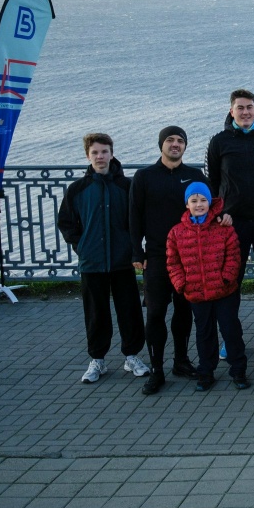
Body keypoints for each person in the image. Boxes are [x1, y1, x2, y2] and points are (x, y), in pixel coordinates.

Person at [58, 133, 148, 384]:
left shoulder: (126, 186)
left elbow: (138, 220)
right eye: (95, 152)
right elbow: (66, 222)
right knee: (96, 313)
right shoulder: (78, 189)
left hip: (122, 260)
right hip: (91, 262)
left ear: (112, 153)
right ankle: (97, 359)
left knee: (129, 311)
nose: (100, 157)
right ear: (88, 156)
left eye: (104, 151)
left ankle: (132, 356)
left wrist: (134, 248)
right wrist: (81, 246)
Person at [129, 126, 205, 394]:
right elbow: (134, 216)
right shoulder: (144, 177)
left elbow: (207, 209)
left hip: (189, 256)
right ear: (161, 144)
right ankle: (156, 369)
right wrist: (136, 252)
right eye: (170, 140)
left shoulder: (195, 175)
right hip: (157, 256)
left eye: (180, 141)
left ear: (185, 146)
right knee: (155, 313)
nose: (175, 144)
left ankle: (181, 361)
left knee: (184, 311)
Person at [205, 89, 254, 340]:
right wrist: (219, 214)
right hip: (232, 223)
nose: (245, 112)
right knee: (231, 280)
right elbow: (211, 183)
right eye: (240, 108)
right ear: (232, 111)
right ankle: (231, 336)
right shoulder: (219, 142)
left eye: (249, 107)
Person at [165, 182, 247, 391]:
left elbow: (234, 255)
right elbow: (173, 262)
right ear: (187, 204)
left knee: (230, 330)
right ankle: (206, 372)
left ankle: (238, 370)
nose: (199, 204)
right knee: (204, 333)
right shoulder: (176, 232)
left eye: (203, 200)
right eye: (194, 201)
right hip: (197, 293)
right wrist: (182, 284)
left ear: (210, 203)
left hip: (224, 291)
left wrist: (226, 278)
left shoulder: (223, 228)